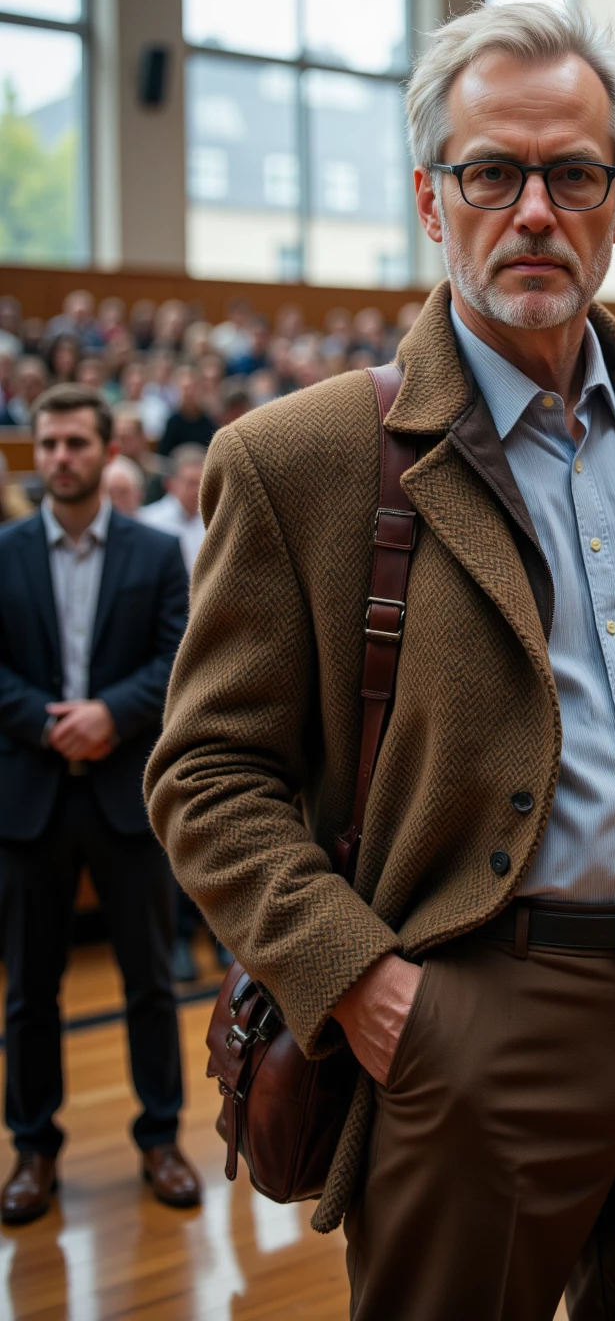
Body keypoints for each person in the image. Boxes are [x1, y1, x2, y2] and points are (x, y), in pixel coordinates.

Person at [147, 1, 615, 1321]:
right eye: (492, 172)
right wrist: (367, 988)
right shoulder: (298, 461)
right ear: (430, 196)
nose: (535, 210)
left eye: (573, 172)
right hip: (473, 1023)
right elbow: (208, 778)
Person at [0, 384, 201, 1224]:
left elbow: (180, 657)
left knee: (151, 982)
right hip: (30, 800)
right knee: (27, 993)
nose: (61, 459)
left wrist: (109, 715)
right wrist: (49, 726)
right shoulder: (3, 551)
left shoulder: (154, 555)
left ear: (105, 452)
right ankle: (33, 1151)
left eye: (76, 443)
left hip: (128, 798)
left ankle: (161, 1137)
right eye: (48, 445)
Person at [138, 445, 206, 577]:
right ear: (170, 484)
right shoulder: (149, 520)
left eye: (202, 483)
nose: (198, 490)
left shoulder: (216, 519)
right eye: (191, 483)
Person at [156, 365, 216, 458]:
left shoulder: (209, 422)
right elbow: (164, 456)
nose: (189, 393)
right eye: (185, 388)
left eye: (193, 388)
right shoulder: (172, 422)